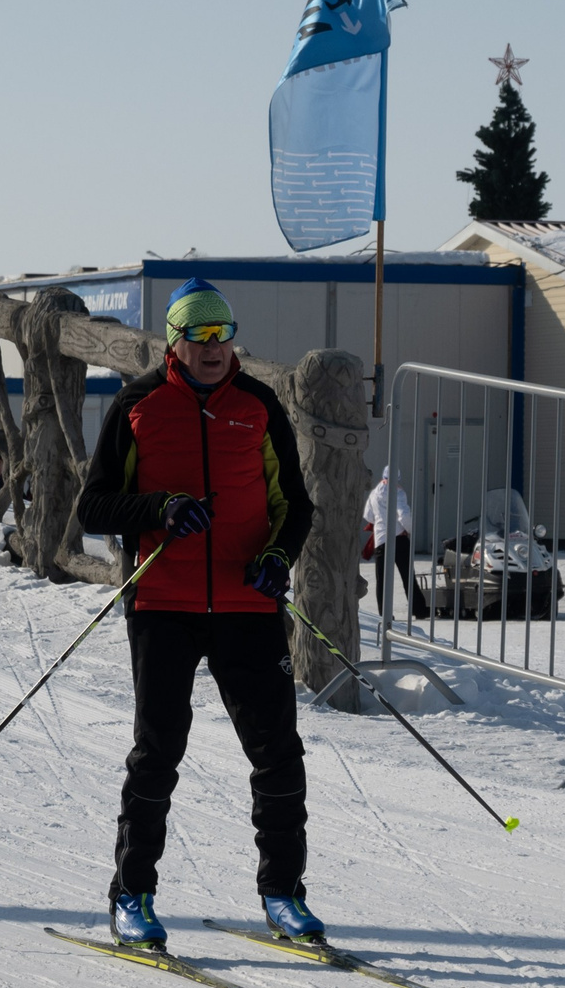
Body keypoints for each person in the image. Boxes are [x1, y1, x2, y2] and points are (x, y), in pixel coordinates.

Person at [77, 278, 318, 951]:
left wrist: (278, 556)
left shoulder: (258, 404)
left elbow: (296, 505)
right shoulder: (138, 404)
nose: (214, 348)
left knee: (277, 752)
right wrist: (161, 508)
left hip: (247, 602)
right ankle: (132, 895)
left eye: (223, 334)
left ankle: (283, 893)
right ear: (174, 341)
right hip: (164, 603)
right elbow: (93, 506)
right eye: (199, 335)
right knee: (158, 751)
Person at [363, 464, 415, 618]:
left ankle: (384, 612)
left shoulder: (374, 493)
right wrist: (409, 529)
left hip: (381, 539)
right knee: (407, 576)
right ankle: (418, 609)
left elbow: (368, 515)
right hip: (399, 538)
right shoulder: (398, 492)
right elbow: (403, 515)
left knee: (382, 579)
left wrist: (380, 523)